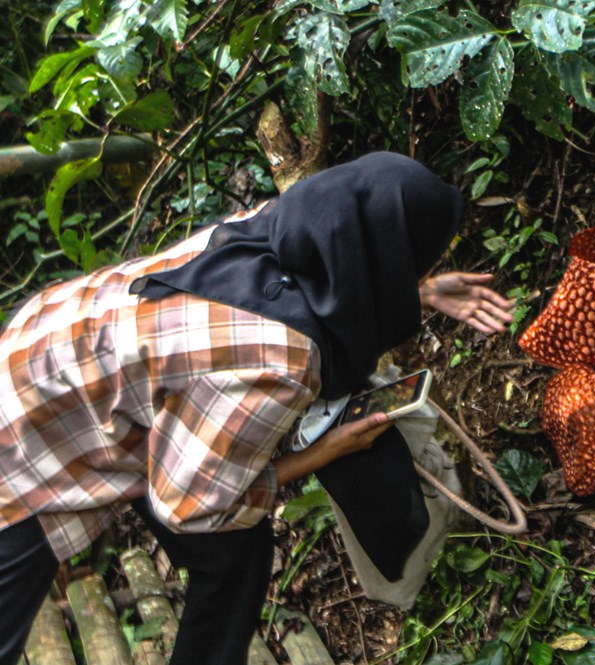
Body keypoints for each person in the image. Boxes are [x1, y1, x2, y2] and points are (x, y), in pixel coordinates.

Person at [0, 152, 514, 664]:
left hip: (54, 344)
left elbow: (337, 280)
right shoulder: (279, 361)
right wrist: (327, 451)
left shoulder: (275, 224)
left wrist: (417, 291)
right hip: (31, 431)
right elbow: (191, 508)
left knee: (236, 556)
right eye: (414, 261)